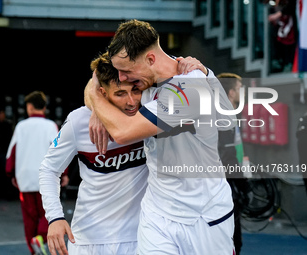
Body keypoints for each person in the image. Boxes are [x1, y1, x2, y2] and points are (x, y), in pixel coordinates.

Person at [89, 19, 236, 255]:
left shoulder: (189, 86)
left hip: (202, 215)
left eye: (126, 72)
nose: (123, 79)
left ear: (150, 59)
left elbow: (123, 131)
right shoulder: (146, 83)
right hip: (157, 212)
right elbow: (101, 79)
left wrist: (94, 96)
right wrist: (98, 108)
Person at [39, 53, 204, 255]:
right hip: (87, 239)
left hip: (141, 238)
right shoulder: (78, 121)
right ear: (101, 92)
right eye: (119, 94)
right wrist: (55, 217)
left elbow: (170, 73)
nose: (131, 101)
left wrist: (193, 65)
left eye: (135, 90)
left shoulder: (149, 114)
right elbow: (49, 169)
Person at [6, 91, 63, 255]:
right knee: (49, 212)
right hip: (46, 178)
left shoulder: (20, 126)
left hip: (24, 178)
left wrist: (11, 174)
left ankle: (34, 249)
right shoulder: (51, 125)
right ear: (44, 107)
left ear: (29, 107)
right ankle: (40, 238)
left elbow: (11, 153)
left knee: (29, 217)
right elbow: (58, 151)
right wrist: (64, 173)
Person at [217, 73, 247, 255]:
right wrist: (243, 184)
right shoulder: (222, 117)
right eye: (239, 88)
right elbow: (226, 155)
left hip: (233, 182)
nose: (242, 92)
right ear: (230, 92)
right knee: (231, 240)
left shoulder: (233, 115)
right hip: (227, 186)